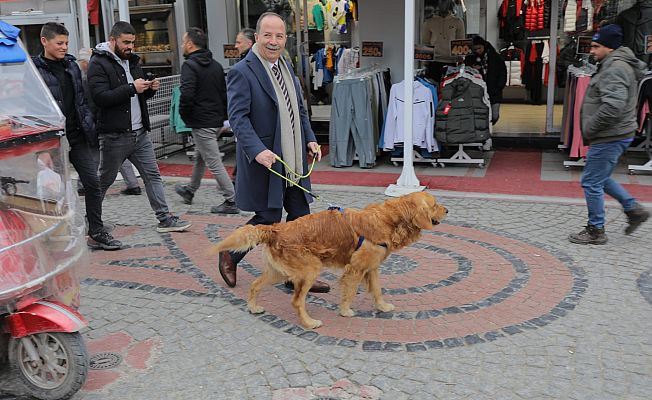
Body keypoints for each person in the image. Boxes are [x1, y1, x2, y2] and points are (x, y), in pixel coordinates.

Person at [219, 12, 330, 293]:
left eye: (279, 36)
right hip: (267, 159)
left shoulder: (286, 66)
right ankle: (230, 253)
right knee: (267, 218)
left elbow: (298, 110)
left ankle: (294, 274)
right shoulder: (242, 71)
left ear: (285, 39)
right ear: (257, 37)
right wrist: (258, 151)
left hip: (293, 159)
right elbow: (238, 118)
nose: (273, 41)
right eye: (268, 35)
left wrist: (310, 139)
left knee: (300, 218)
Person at [87, 21, 191, 233]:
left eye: (132, 43)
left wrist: (149, 89)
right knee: (104, 181)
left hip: (140, 133)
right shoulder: (98, 63)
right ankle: (92, 221)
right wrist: (131, 88)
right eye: (126, 42)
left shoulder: (132, 60)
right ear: (113, 40)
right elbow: (100, 98)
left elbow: (136, 96)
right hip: (115, 135)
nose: (130, 47)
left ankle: (165, 219)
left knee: (152, 176)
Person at [33, 22, 121, 250]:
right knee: (54, 191)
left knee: (92, 183)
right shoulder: (34, 71)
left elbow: (81, 101)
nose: (64, 47)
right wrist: (42, 148)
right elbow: (34, 110)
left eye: (66, 43)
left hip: (77, 136)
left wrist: (89, 125)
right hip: (51, 141)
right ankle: (54, 236)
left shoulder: (72, 66)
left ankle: (96, 232)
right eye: (59, 43)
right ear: (44, 41)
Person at [569, 24, 650, 245]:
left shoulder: (615, 68)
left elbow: (613, 106)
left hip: (610, 135)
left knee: (591, 181)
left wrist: (591, 127)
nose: (592, 51)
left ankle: (596, 230)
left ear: (610, 47)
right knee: (599, 177)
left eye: (596, 46)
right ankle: (634, 210)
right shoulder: (614, 64)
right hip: (615, 133)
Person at [174, 27, 239, 214]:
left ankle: (231, 199)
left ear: (189, 44)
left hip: (201, 122)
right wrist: (224, 118)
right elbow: (224, 94)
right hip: (215, 121)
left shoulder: (189, 66)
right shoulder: (216, 65)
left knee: (213, 161)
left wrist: (185, 116)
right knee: (201, 157)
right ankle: (190, 190)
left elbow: (187, 95)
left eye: (183, 41)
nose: (182, 45)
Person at [76, 47, 142, 197]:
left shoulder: (86, 79)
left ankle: (85, 186)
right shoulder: (96, 75)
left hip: (98, 121)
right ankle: (132, 183)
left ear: (85, 62)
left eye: (81, 61)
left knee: (95, 155)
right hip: (108, 121)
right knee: (118, 155)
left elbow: (91, 103)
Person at [465, 36, 507, 125]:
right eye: (475, 49)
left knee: (494, 115)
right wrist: (472, 68)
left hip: (494, 90)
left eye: (479, 48)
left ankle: (488, 127)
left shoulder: (495, 57)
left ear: (484, 46)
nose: (478, 51)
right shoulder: (470, 58)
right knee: (480, 114)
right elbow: (466, 71)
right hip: (477, 91)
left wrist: (500, 85)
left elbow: (502, 71)